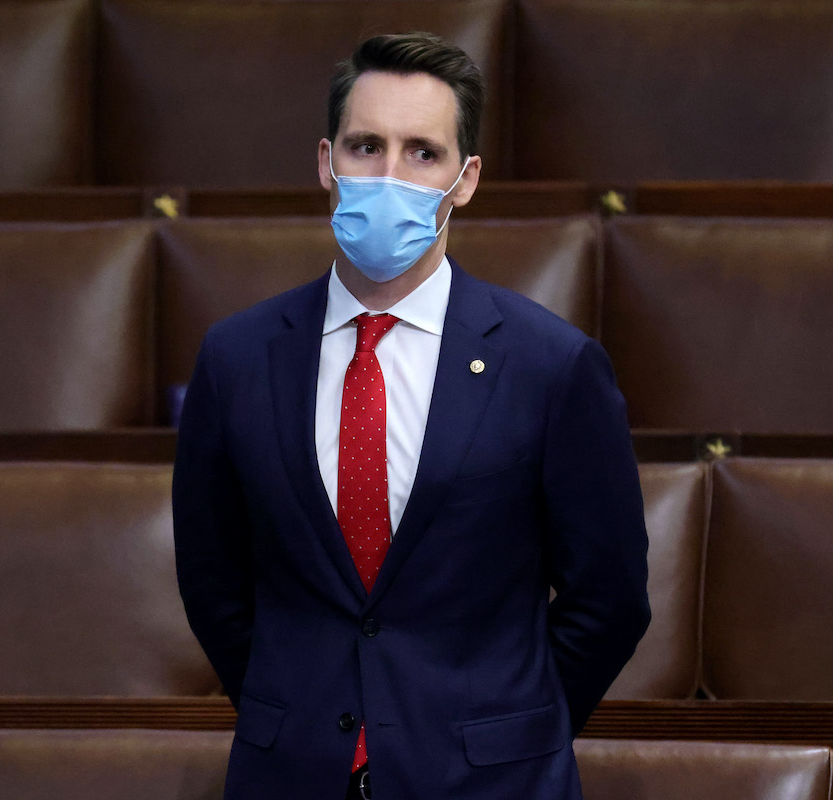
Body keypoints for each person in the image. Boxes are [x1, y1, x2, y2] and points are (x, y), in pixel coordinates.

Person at [172, 31, 650, 800]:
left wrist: (500, 722)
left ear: (465, 180)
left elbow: (611, 597)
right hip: (290, 773)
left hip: (494, 782)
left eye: (422, 153)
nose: (388, 175)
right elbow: (212, 581)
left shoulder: (551, 366)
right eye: (366, 147)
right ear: (326, 162)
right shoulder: (237, 359)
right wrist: (300, 707)